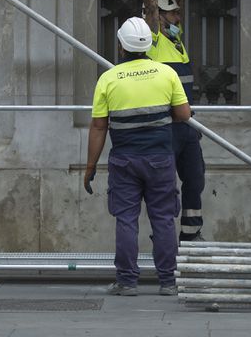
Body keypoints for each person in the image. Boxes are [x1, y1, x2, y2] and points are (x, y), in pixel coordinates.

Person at [84, 17, 191, 296]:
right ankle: (168, 281)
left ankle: (127, 281)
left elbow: (98, 127)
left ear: (121, 47)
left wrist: (90, 166)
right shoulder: (167, 73)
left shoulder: (108, 78)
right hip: (160, 159)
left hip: (124, 161)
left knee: (126, 220)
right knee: (164, 219)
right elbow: (183, 114)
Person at [123, 0, 207, 242]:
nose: (178, 15)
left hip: (188, 126)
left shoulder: (175, 37)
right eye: (172, 12)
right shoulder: (155, 37)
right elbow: (151, 3)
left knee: (195, 180)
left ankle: (191, 234)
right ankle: (165, 238)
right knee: (165, 186)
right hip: (165, 127)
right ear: (159, 16)